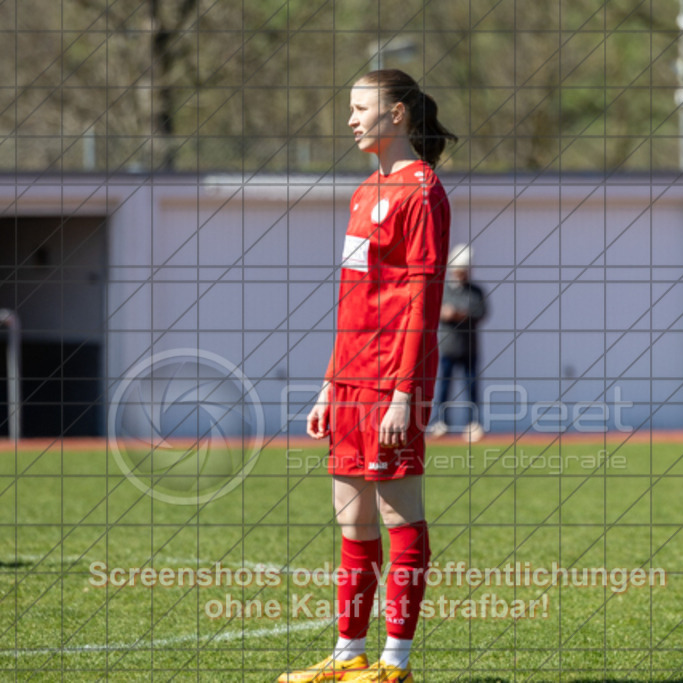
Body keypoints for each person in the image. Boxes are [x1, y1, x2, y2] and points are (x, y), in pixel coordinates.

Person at [278, 69, 455, 683]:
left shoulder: (423, 191)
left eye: (362, 107)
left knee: (399, 515)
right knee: (350, 519)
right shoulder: (363, 192)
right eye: (348, 107)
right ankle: (348, 654)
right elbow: (354, 297)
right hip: (351, 379)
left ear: (399, 114)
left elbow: (421, 300)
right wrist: (330, 382)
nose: (351, 119)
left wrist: (404, 393)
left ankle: (394, 664)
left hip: (390, 380)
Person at [428, 244, 487, 441]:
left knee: (471, 387)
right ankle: (441, 422)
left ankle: (473, 424)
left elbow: (481, 312)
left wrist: (458, 314)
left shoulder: (475, 291)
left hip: (469, 348)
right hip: (447, 347)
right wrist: (445, 313)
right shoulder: (443, 289)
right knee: (444, 386)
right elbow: (432, 311)